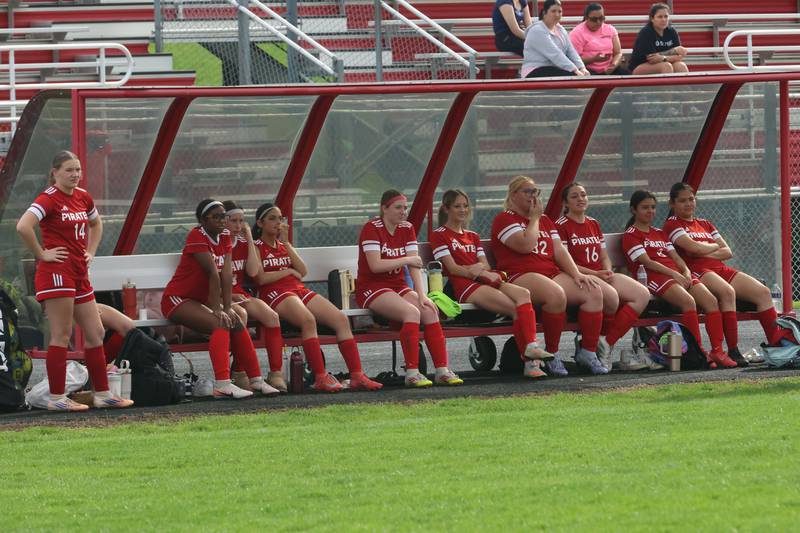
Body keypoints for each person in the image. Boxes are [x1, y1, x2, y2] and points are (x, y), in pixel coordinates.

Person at [16, 150, 133, 411]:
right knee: (61, 334)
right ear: (55, 172)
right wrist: (41, 254)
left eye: (78, 169)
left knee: (96, 333)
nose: (75, 175)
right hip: (57, 271)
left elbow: (96, 224)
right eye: (69, 170)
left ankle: (102, 393)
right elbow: (23, 226)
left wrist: (90, 251)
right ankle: (56, 398)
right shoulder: (49, 199)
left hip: (79, 271)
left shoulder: (82, 196)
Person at [251, 202, 382, 392]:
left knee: (340, 320)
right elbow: (261, 278)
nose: (278, 223)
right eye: (272, 219)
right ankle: (320, 376)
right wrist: (287, 270)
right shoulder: (256, 246)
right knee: (308, 320)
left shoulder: (283, 245)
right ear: (260, 223)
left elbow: (302, 271)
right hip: (275, 292)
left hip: (297, 288)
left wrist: (286, 243)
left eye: (280, 218)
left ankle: (357, 375)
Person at [161, 199, 277, 399]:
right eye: (216, 216)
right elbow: (213, 273)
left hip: (199, 299)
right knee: (220, 322)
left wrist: (229, 306)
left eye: (224, 216)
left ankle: (256, 380)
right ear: (204, 220)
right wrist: (218, 308)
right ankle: (223, 383)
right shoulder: (196, 235)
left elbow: (227, 273)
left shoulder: (224, 236)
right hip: (178, 298)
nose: (222, 220)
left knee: (236, 320)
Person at [431, 189, 554, 378]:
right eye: (457, 206)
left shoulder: (473, 235)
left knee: (523, 295)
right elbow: (452, 268)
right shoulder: (439, 235)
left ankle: (531, 347)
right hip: (465, 286)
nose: (463, 210)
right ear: (446, 209)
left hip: (485, 278)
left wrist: (478, 270)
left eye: (465, 206)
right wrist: (474, 271)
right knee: (514, 308)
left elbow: (485, 265)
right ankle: (530, 363)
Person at [491, 176, 607, 376]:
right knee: (555, 295)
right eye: (527, 191)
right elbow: (525, 245)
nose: (533, 196)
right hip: (520, 274)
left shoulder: (545, 220)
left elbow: (559, 251)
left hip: (549, 272)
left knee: (593, 291)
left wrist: (576, 274)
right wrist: (534, 218)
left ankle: (588, 352)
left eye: (535, 191)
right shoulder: (505, 218)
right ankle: (552, 354)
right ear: (513, 195)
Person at [356, 189, 462, 387]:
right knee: (411, 312)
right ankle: (412, 373)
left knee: (430, 309)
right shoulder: (372, 228)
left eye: (405, 208)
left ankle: (442, 371)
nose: (403, 212)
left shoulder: (407, 228)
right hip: (372, 287)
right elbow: (375, 265)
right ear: (384, 209)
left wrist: (422, 294)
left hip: (398, 286)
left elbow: (415, 265)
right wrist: (406, 259)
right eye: (398, 208)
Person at [663, 182, 778, 365]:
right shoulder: (672, 224)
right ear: (672, 204)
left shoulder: (704, 223)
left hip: (720, 267)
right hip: (697, 270)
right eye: (682, 201)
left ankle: (777, 345)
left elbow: (728, 251)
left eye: (691, 199)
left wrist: (704, 249)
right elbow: (692, 248)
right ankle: (732, 349)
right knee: (727, 292)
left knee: (763, 293)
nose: (688, 204)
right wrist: (711, 247)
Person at [622, 190, 737, 368]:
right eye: (645, 208)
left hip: (675, 274)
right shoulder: (631, 234)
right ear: (633, 210)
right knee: (689, 302)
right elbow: (647, 262)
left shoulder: (659, 233)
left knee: (711, 301)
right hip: (654, 277)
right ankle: (697, 352)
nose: (650, 211)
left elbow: (676, 257)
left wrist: (685, 271)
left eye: (652, 207)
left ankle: (717, 351)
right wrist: (674, 273)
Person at [556, 182, 649, 369]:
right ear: (565, 203)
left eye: (583, 195)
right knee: (612, 298)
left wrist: (607, 270)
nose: (580, 199)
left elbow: (604, 256)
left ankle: (607, 343)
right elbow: (565, 263)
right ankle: (592, 347)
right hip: (579, 276)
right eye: (574, 196)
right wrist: (596, 273)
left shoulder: (593, 223)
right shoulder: (561, 225)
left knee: (642, 295)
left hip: (601, 273)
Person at [223, 200, 288, 392]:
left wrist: (249, 237)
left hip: (240, 293)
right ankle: (239, 372)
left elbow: (252, 271)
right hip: (221, 296)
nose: (237, 226)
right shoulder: (218, 242)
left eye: (241, 221)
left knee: (272, 317)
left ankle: (275, 374)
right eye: (233, 221)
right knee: (240, 314)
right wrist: (228, 296)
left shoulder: (243, 243)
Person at [521, 0, 589, 78]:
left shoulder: (561, 29)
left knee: (582, 75)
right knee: (573, 76)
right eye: (553, 11)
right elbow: (555, 54)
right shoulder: (537, 30)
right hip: (535, 70)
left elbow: (571, 51)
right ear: (544, 13)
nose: (557, 15)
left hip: (553, 68)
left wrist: (582, 67)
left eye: (560, 12)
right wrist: (575, 70)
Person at [569, 3, 629, 75]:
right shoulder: (577, 33)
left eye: (601, 18)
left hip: (610, 68)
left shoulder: (610, 29)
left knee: (628, 76)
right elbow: (574, 59)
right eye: (594, 19)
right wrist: (594, 59)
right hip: (588, 70)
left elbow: (618, 53)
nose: (598, 22)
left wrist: (613, 65)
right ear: (586, 18)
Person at [629, 3, 688, 75]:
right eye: (660, 17)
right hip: (639, 67)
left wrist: (663, 58)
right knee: (666, 66)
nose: (663, 20)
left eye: (666, 16)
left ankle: (686, 86)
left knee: (680, 66)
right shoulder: (646, 32)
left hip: (663, 61)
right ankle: (667, 87)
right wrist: (671, 53)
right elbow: (652, 59)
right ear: (652, 19)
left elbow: (679, 57)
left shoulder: (672, 31)